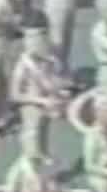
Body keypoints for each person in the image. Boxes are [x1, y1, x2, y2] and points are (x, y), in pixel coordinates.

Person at [11, 30, 67, 161]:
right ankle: (31, 159)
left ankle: (42, 153)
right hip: (32, 106)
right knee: (32, 133)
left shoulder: (47, 60)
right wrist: (40, 100)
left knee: (44, 130)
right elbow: (15, 94)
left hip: (47, 103)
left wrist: (59, 90)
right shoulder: (23, 66)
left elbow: (53, 78)